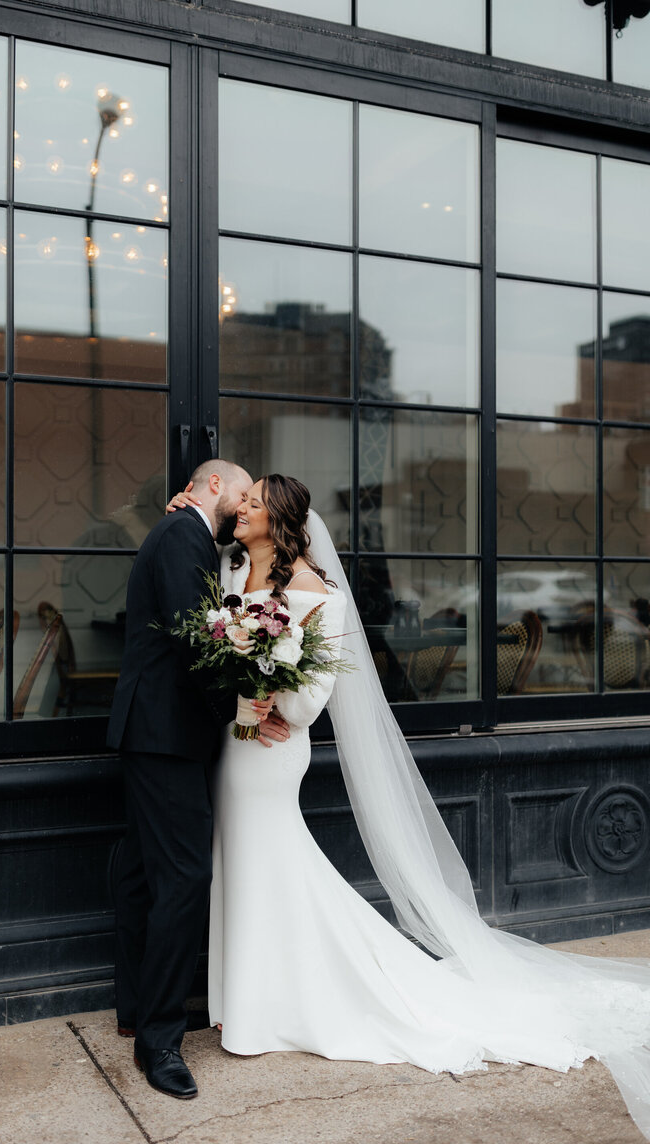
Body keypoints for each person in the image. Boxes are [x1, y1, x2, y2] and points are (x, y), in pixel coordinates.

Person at [171, 472, 650, 1140]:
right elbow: (215, 630)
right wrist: (187, 506)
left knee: (272, 866)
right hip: (235, 745)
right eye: (238, 501)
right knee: (242, 869)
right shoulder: (233, 572)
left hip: (272, 753)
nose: (239, 510)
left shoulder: (318, 593)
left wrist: (265, 696)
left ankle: (268, 1010)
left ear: (278, 520)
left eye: (251, 504)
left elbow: (312, 702)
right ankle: (239, 1004)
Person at [106, 459, 288, 1101]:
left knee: (141, 873)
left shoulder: (184, 533)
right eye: (240, 494)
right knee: (183, 878)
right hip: (166, 735)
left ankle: (135, 1010)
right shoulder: (184, 533)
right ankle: (160, 1041)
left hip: (151, 732)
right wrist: (241, 713)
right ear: (213, 485)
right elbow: (194, 641)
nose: (243, 508)